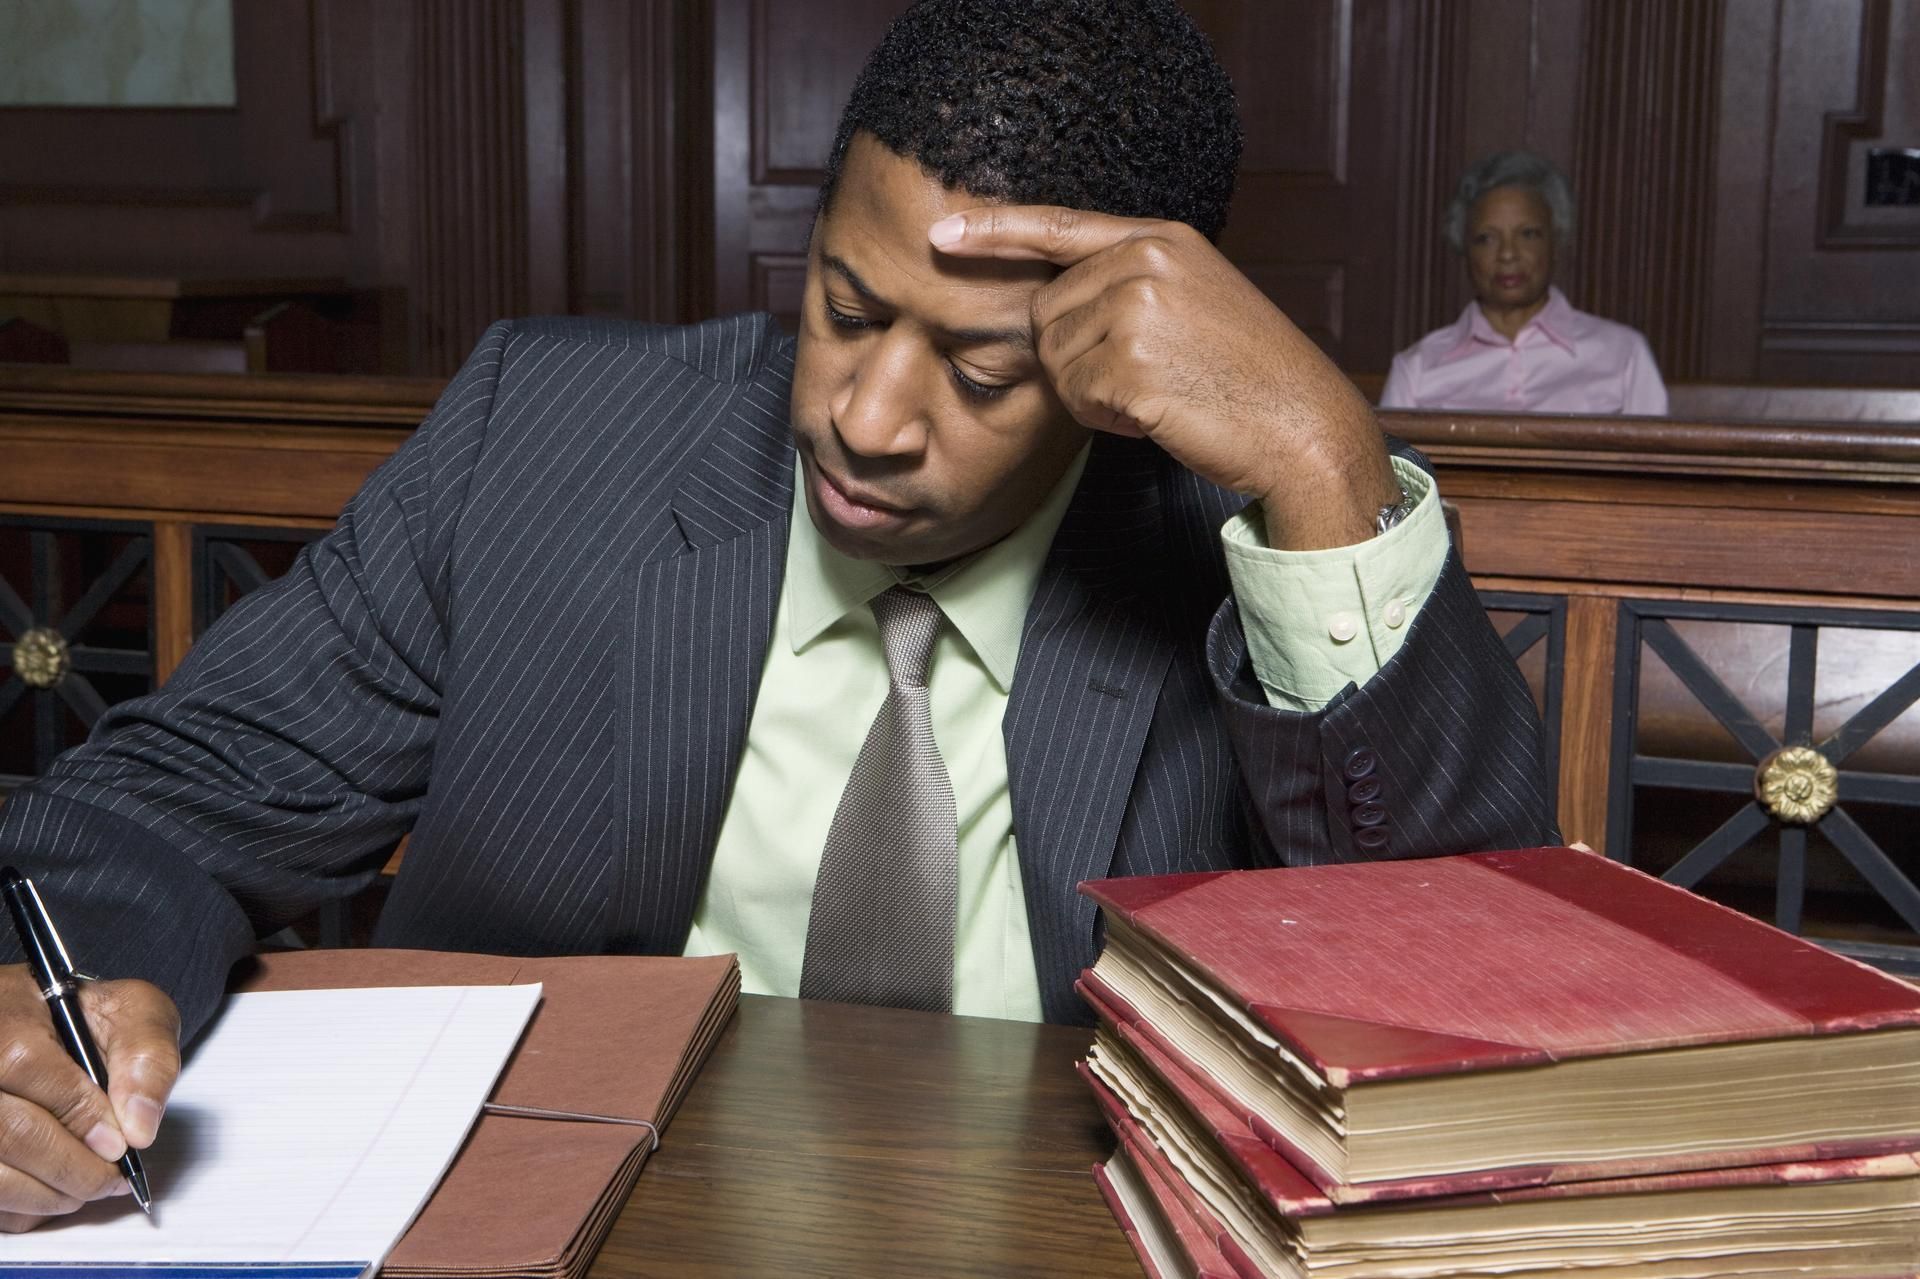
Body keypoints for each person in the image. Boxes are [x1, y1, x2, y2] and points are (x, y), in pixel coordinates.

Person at [0, 0, 1553, 1233]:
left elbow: (1462, 1000)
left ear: (1113, 368)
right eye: (845, 308)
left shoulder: (1229, 542)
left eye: (982, 372)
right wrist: (56, 1030)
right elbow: (154, 805)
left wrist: (1325, 460)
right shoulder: (545, 441)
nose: (866, 418)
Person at [1380, 150, 1669, 415]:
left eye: (1528, 234)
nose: (1507, 254)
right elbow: (1387, 458)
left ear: (1556, 241)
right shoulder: (1416, 369)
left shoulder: (1624, 354)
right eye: (1486, 238)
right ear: (1464, 249)